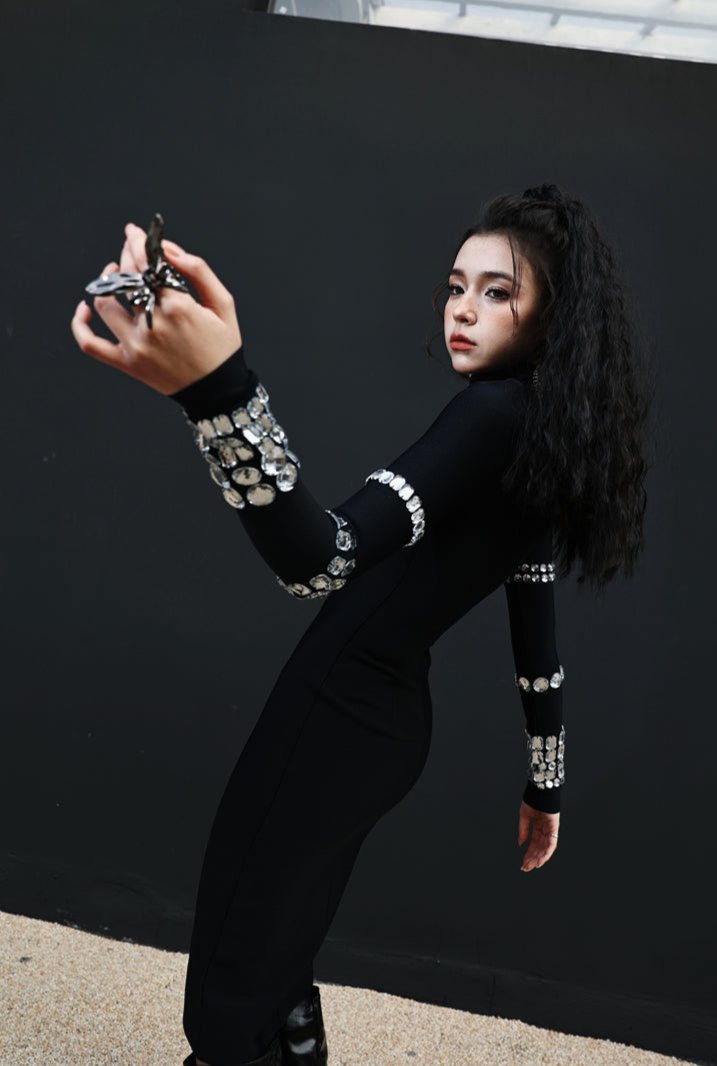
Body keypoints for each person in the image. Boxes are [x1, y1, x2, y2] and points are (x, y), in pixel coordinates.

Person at [70, 183, 652, 1066]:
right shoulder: (541, 439)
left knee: (234, 966)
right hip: (382, 725)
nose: (462, 310)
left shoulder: (492, 415)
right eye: (455, 287)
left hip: (338, 711)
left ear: (553, 318)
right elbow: (538, 651)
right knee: (276, 939)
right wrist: (547, 789)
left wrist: (217, 392)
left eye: (497, 292)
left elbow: (323, 559)